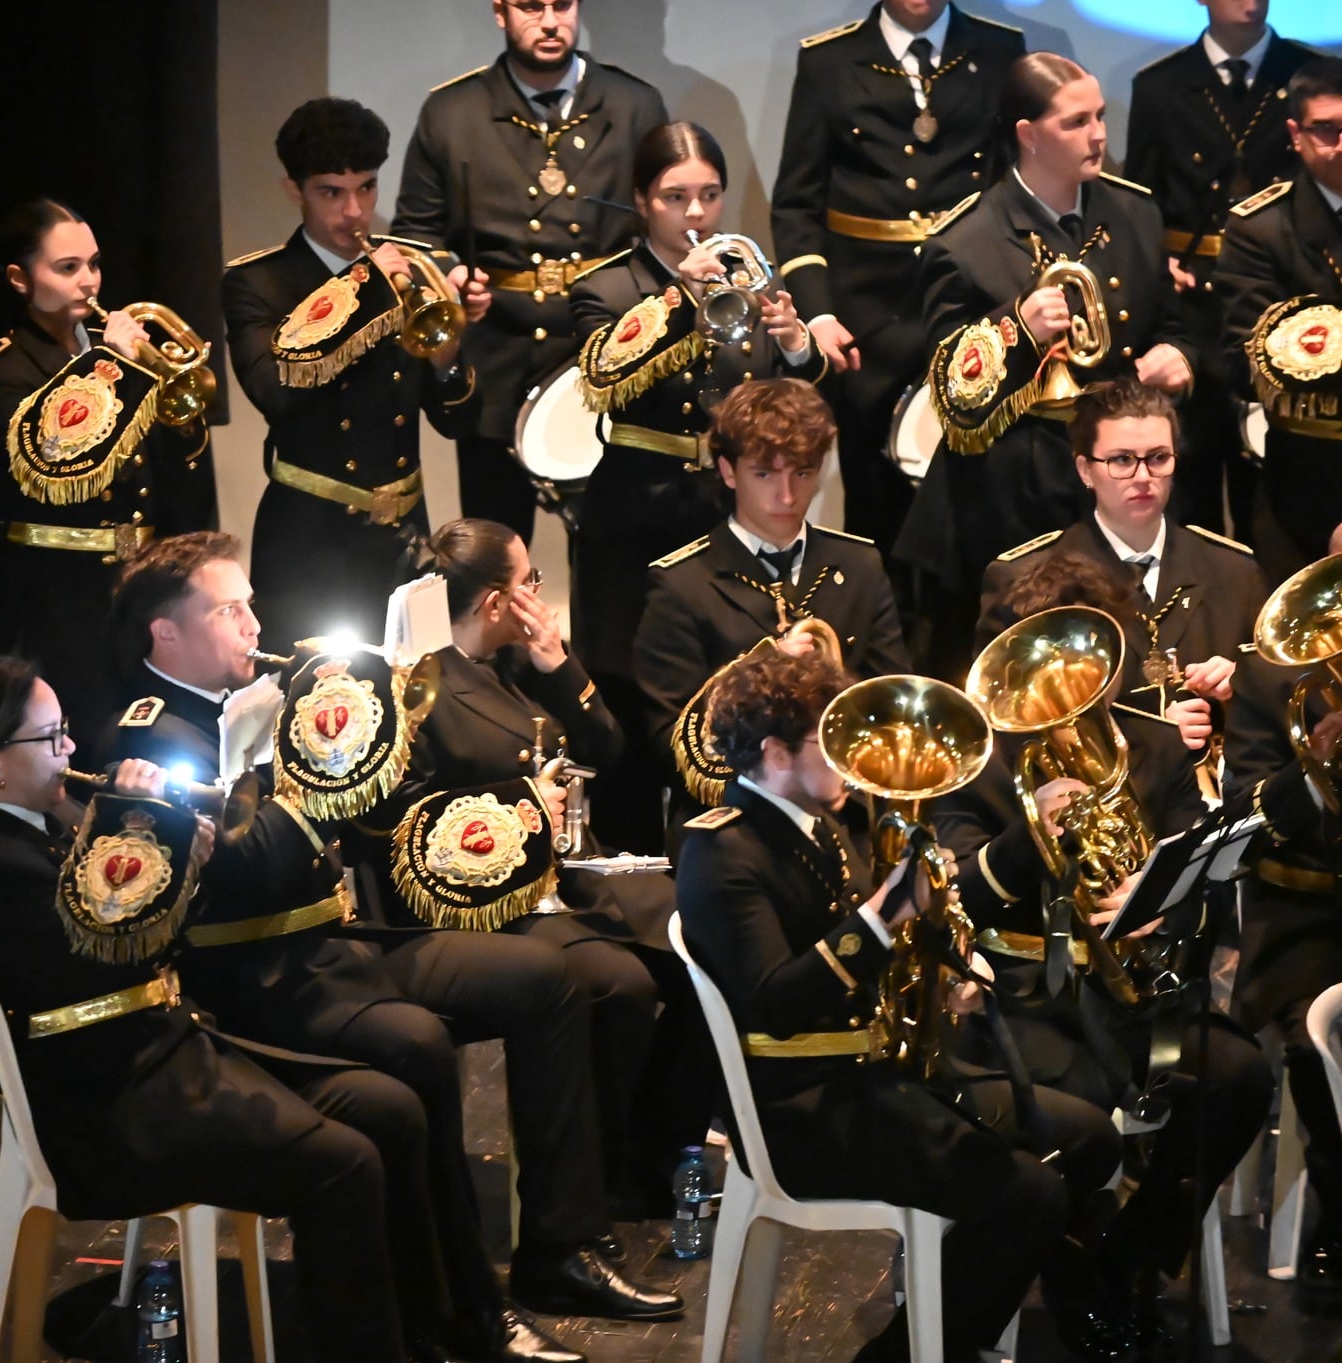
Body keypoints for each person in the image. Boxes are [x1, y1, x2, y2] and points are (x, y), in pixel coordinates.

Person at [99, 532, 681, 1353]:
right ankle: (461, 1307)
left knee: (547, 978)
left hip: (331, 944)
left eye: (250, 604)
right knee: (416, 1045)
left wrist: (375, 734)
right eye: (229, 610)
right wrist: (327, 774)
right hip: (251, 977)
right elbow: (245, 869)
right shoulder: (152, 737)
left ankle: (560, 1247)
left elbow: (368, 822)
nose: (253, 624)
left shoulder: (258, 695)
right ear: (167, 632)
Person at [0, 655, 439, 1362]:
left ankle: (425, 1331)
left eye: (66, 730)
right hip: (113, 1105)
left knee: (391, 1110)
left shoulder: (38, 823)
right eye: (50, 738)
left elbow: (141, 937)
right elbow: (94, 959)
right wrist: (142, 834)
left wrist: (183, 861)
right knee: (344, 1166)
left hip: (168, 1051)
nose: (70, 748)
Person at [675, 646, 1119, 1363]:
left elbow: (884, 946)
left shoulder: (822, 823)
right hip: (802, 1111)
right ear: (775, 753)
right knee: (1031, 1196)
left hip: (879, 1076)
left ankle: (992, 1312)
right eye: (830, 744)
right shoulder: (723, 852)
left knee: (1092, 1139)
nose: (853, 763)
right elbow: (775, 1004)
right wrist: (884, 914)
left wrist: (948, 968)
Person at [938, 557, 1274, 1356]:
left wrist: (1153, 897)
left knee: (1238, 1076)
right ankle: (1070, 1264)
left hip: (1136, 991)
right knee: (1081, 1105)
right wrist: (1027, 837)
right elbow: (955, 896)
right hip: (1021, 995)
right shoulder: (977, 758)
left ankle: (1129, 1251)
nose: (1073, 688)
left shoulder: (1154, 742)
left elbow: (1201, 867)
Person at [396, 517, 716, 1216]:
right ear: (495, 602)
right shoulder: (421, 683)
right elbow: (415, 818)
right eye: (529, 582)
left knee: (709, 945)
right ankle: (602, 1177)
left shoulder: (517, 661)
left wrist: (558, 664)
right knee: (624, 984)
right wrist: (523, 804)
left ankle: (657, 1147)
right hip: (492, 892)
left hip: (571, 867)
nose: (537, 596)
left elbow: (607, 748)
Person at [899, 53, 1197, 678]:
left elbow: (1173, 326)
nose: (1098, 135)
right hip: (1011, 492)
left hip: (1117, 478)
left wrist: (1181, 358)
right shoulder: (965, 241)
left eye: (1101, 117)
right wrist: (1016, 330)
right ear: (1028, 134)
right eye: (1076, 122)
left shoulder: (1135, 212)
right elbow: (949, 389)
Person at [570, 121, 824, 769]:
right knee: (629, 691)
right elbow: (604, 377)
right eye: (675, 197)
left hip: (726, 514)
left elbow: (788, 392)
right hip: (637, 512)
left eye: (709, 196)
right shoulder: (606, 287)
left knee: (735, 678)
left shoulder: (749, 275)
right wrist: (681, 297)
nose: (695, 214)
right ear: (641, 200)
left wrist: (796, 343)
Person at [388, 0, 667, 542]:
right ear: (499, 11)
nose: (550, 21)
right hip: (495, 365)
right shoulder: (451, 111)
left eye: (563, 4)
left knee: (611, 554)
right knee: (495, 556)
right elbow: (414, 236)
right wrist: (450, 280)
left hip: (608, 356)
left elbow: (661, 221)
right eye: (531, 6)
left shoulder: (635, 104)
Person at [222, 98, 490, 655]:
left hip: (407, 537)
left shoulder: (416, 269)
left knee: (418, 688)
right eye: (331, 193)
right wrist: (363, 291)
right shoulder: (258, 282)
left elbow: (457, 422)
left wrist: (447, 355)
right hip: (310, 545)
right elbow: (273, 393)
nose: (354, 212)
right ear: (294, 190)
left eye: (366, 188)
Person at [0, 199, 215, 727]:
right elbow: (49, 458)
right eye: (67, 268)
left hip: (137, 587)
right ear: (19, 279)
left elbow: (168, 469)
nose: (88, 281)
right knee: (80, 738)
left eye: (93, 264)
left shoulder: (116, 358)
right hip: (55, 598)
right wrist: (113, 368)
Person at [770, 0, 1025, 547]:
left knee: (982, 496)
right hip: (866, 319)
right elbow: (796, 205)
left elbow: (1018, 186)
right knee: (875, 504)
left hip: (971, 306)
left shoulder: (1000, 50)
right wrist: (818, 313)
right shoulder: (828, 60)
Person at [634, 379, 908, 830]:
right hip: (734, 831)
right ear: (728, 472)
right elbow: (667, 741)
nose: (787, 495)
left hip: (846, 822)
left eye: (802, 473)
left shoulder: (859, 564)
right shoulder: (681, 582)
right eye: (764, 474)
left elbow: (890, 703)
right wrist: (762, 671)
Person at [975, 379, 1267, 758]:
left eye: (1158, 458)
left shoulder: (1235, 571)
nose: (1143, 477)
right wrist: (1149, 735)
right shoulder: (1023, 580)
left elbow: (1280, 722)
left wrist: (1243, 688)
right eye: (1122, 460)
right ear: (1085, 470)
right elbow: (1006, 737)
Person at [1126, 0, 1321, 534]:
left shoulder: (1309, 75)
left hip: (1284, 301)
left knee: (1283, 483)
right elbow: (1140, 202)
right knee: (1193, 471)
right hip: (1192, 302)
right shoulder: (1161, 86)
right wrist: (1159, 263)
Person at [1227, 576, 1342, 1312]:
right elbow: (1244, 812)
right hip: (1305, 915)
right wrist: (1313, 771)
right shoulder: (1271, 675)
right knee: (1319, 1041)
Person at [1216, 56, 1342, 585]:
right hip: (1310, 473)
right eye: (1327, 130)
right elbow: (1241, 360)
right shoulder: (1262, 228)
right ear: (1296, 134)